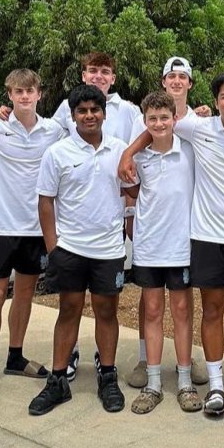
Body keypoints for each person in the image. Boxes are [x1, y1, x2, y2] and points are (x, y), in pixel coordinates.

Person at [119, 72, 224, 418]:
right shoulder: (200, 130)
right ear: (215, 101)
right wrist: (128, 153)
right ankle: (215, 385)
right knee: (210, 310)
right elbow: (158, 126)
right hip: (205, 238)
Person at [31, 84, 130, 415]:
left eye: (95, 110)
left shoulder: (119, 150)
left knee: (106, 313)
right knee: (69, 310)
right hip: (70, 249)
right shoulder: (57, 153)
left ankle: (108, 377)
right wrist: (52, 247)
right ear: (72, 116)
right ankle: (58, 380)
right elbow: (46, 202)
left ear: (104, 113)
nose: (89, 116)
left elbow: (135, 187)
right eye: (82, 111)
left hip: (108, 249)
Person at [0, 69, 65, 398]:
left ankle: (15, 356)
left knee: (24, 296)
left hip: (36, 229)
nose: (24, 97)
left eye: (30, 91)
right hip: (0, 229)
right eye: (18, 92)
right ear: (8, 95)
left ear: (40, 94)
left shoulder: (54, 130)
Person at [124, 56, 209, 390]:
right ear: (163, 82)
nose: (176, 81)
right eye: (170, 76)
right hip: (149, 242)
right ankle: (150, 367)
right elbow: (130, 181)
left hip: (183, 241)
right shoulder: (142, 146)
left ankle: (186, 371)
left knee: (183, 308)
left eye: (182, 76)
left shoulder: (196, 132)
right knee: (152, 306)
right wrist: (130, 215)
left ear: (189, 83)